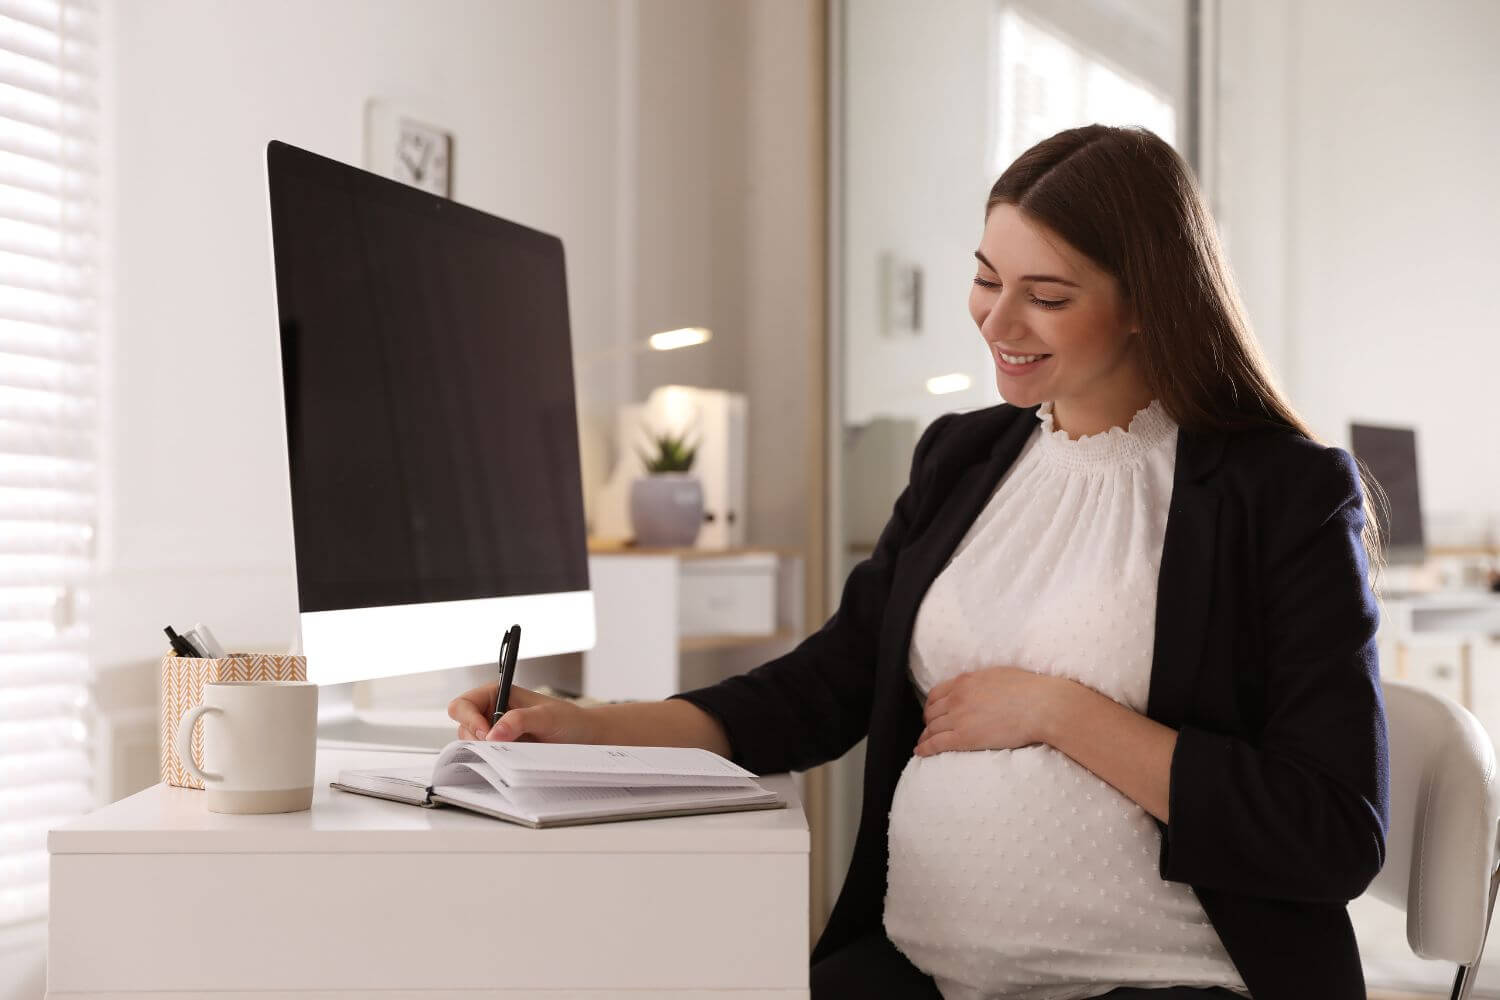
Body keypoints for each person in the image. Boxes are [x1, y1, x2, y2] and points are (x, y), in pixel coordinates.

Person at [449, 124, 1390, 1000]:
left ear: (1149, 303)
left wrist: (1059, 713)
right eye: (987, 278)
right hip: (916, 972)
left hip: (1170, 982)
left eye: (1048, 296)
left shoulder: (1283, 495)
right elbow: (820, 689)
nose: (998, 321)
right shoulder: (963, 458)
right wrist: (584, 722)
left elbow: (1331, 831)